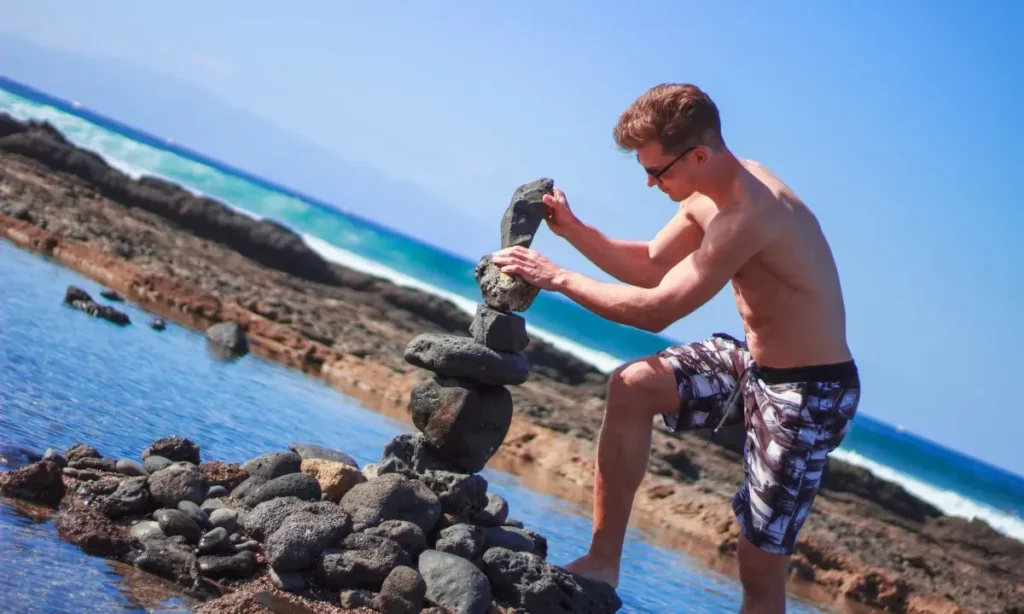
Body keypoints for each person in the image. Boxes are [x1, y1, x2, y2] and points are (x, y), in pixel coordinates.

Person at [491, 83, 860, 614]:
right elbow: (649, 263)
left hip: (809, 392)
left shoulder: (751, 214)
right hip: (754, 365)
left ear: (699, 155)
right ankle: (602, 561)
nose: (648, 182)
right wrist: (572, 231)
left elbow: (656, 309)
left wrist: (558, 279)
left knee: (758, 571)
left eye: (657, 171)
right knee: (633, 386)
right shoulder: (706, 189)